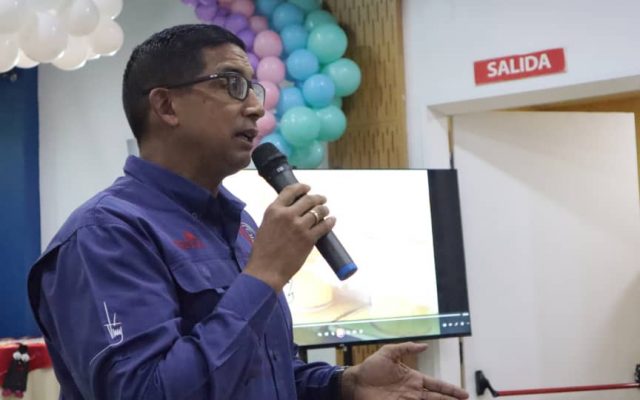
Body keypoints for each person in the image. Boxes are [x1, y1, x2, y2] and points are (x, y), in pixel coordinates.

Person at [28, 24, 469, 400]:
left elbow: (256, 372)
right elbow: (146, 391)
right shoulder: (105, 235)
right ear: (166, 106)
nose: (257, 107)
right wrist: (264, 276)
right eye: (231, 84)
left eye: (253, 87)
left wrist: (343, 383)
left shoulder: (239, 224)